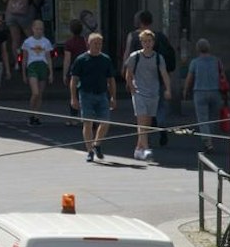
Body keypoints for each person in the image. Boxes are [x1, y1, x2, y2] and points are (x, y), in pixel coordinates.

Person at [124, 28, 171, 162]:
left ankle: (138, 149)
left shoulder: (158, 58)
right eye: (144, 41)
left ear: (153, 42)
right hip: (139, 92)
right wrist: (131, 86)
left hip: (153, 93)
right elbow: (129, 72)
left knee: (147, 123)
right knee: (141, 121)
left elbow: (164, 74)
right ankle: (146, 149)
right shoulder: (135, 56)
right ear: (141, 42)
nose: (147, 44)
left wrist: (168, 89)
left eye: (149, 41)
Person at [70, 32, 117, 162]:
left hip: (102, 94)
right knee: (88, 123)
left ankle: (97, 144)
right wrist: (73, 98)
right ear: (88, 44)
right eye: (95, 43)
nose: (97, 46)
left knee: (105, 121)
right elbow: (74, 80)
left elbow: (111, 80)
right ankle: (89, 150)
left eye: (100, 43)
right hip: (86, 94)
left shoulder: (106, 59)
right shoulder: (81, 60)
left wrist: (113, 97)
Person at [179, 39, 226, 153]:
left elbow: (190, 78)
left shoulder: (195, 62)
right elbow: (223, 76)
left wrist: (185, 90)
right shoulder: (217, 61)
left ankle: (207, 142)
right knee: (212, 118)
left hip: (199, 92)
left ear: (197, 49)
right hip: (215, 92)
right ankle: (211, 138)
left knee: (203, 119)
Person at [19, 19, 55, 124]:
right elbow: (24, 58)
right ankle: (31, 113)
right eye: (37, 29)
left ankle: (36, 115)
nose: (39, 31)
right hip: (32, 66)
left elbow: (48, 58)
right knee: (35, 92)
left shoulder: (46, 42)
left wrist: (51, 72)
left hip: (42, 66)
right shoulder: (27, 42)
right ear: (33, 29)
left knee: (40, 94)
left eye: (41, 29)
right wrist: (24, 74)